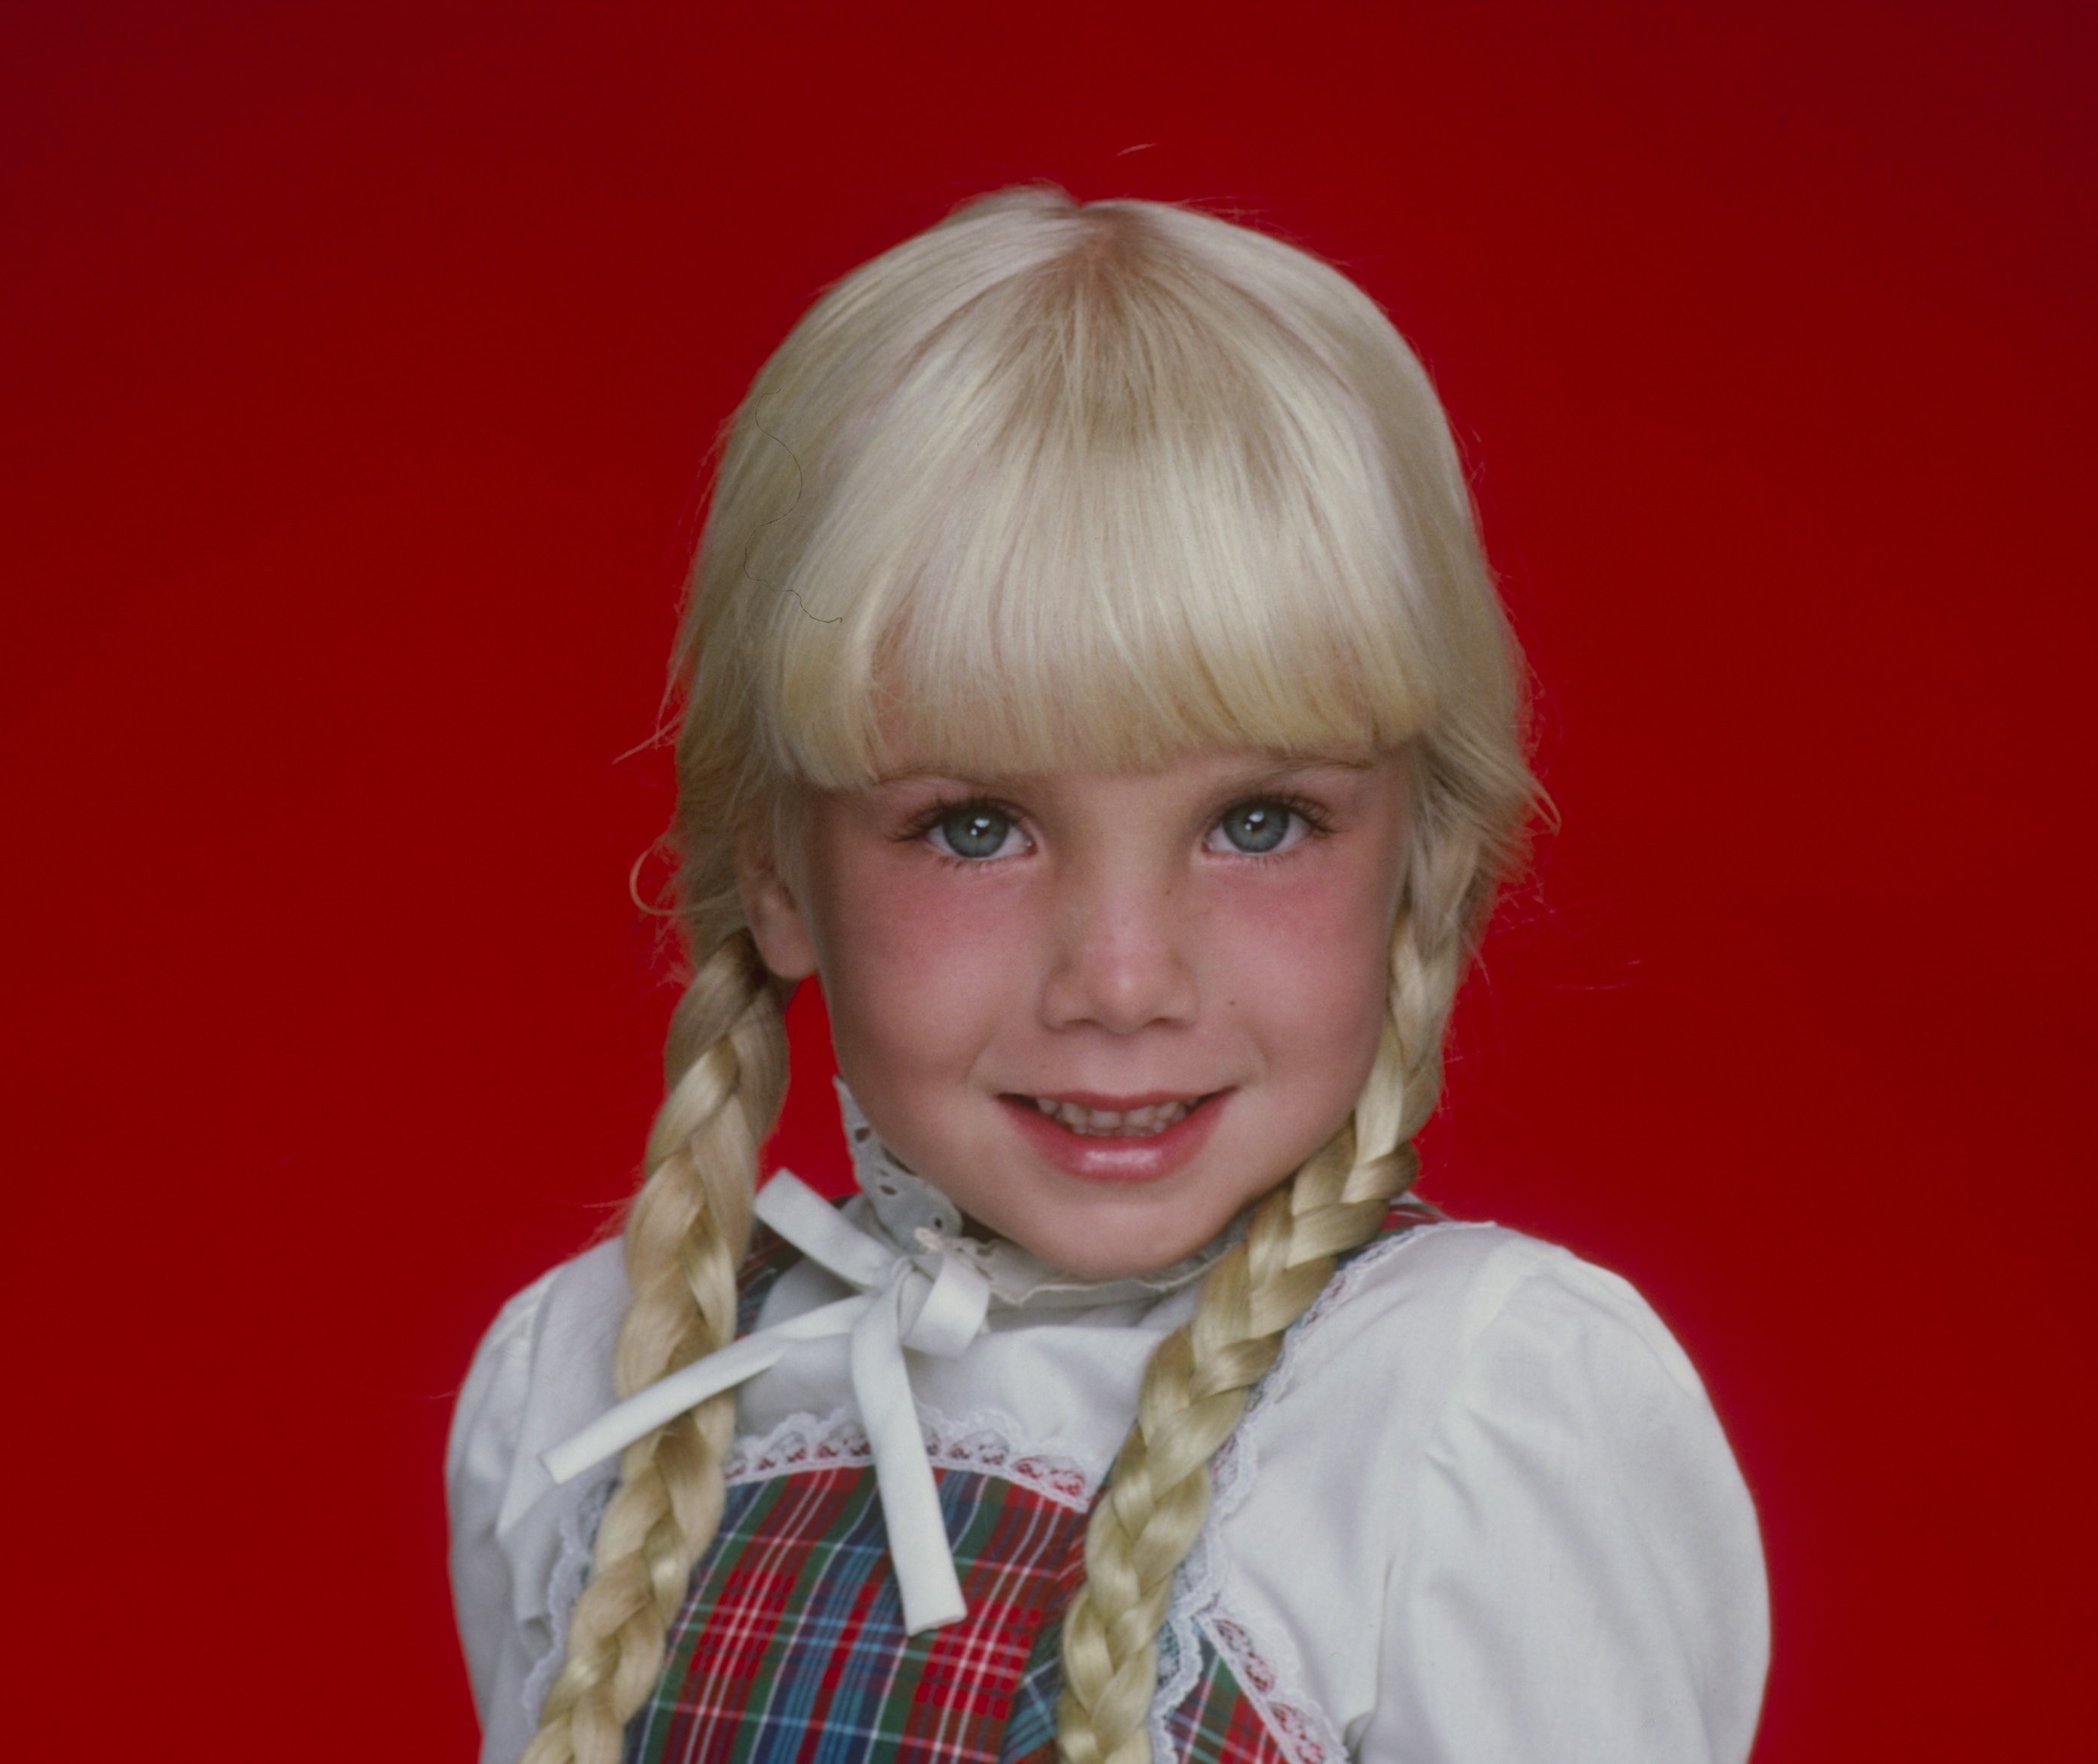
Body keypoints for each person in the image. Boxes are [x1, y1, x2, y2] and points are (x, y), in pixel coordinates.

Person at [446, 185, 1769, 1764]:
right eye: (977, 825)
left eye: (1257, 821)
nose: (1124, 979)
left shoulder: (1464, 1411)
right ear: (778, 872)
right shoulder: (598, 1382)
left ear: (1424, 856)